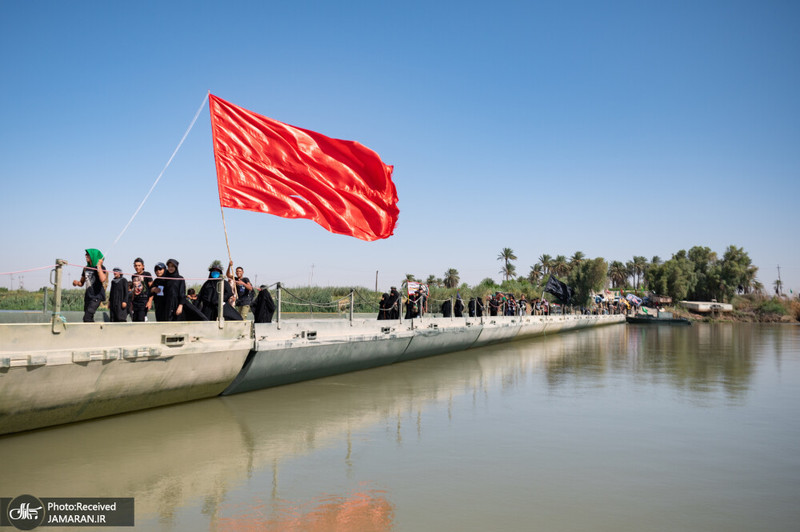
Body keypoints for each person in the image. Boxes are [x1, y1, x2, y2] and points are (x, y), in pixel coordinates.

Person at [73, 248, 107, 322]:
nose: (85, 256)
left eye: (87, 254)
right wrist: (76, 283)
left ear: (93, 256)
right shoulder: (85, 268)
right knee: (88, 318)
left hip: (97, 297)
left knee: (87, 317)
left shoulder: (101, 268)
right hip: (88, 296)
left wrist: (99, 266)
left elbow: (102, 279)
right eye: (86, 254)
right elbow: (81, 283)